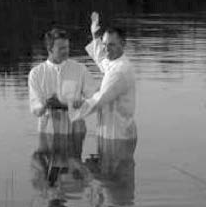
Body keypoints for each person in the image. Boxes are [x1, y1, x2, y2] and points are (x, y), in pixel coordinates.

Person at [73, 12, 137, 140]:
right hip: (112, 132)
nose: (106, 49)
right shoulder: (114, 62)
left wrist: (69, 105)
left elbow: (98, 101)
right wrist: (95, 36)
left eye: (111, 45)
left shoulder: (119, 71)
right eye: (105, 44)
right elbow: (102, 59)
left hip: (118, 136)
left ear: (123, 44)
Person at [28, 27, 96, 138]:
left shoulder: (80, 69)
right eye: (61, 48)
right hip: (48, 132)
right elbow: (36, 109)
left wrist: (72, 104)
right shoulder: (36, 73)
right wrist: (47, 105)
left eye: (67, 47)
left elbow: (94, 99)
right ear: (49, 49)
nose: (66, 51)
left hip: (76, 131)